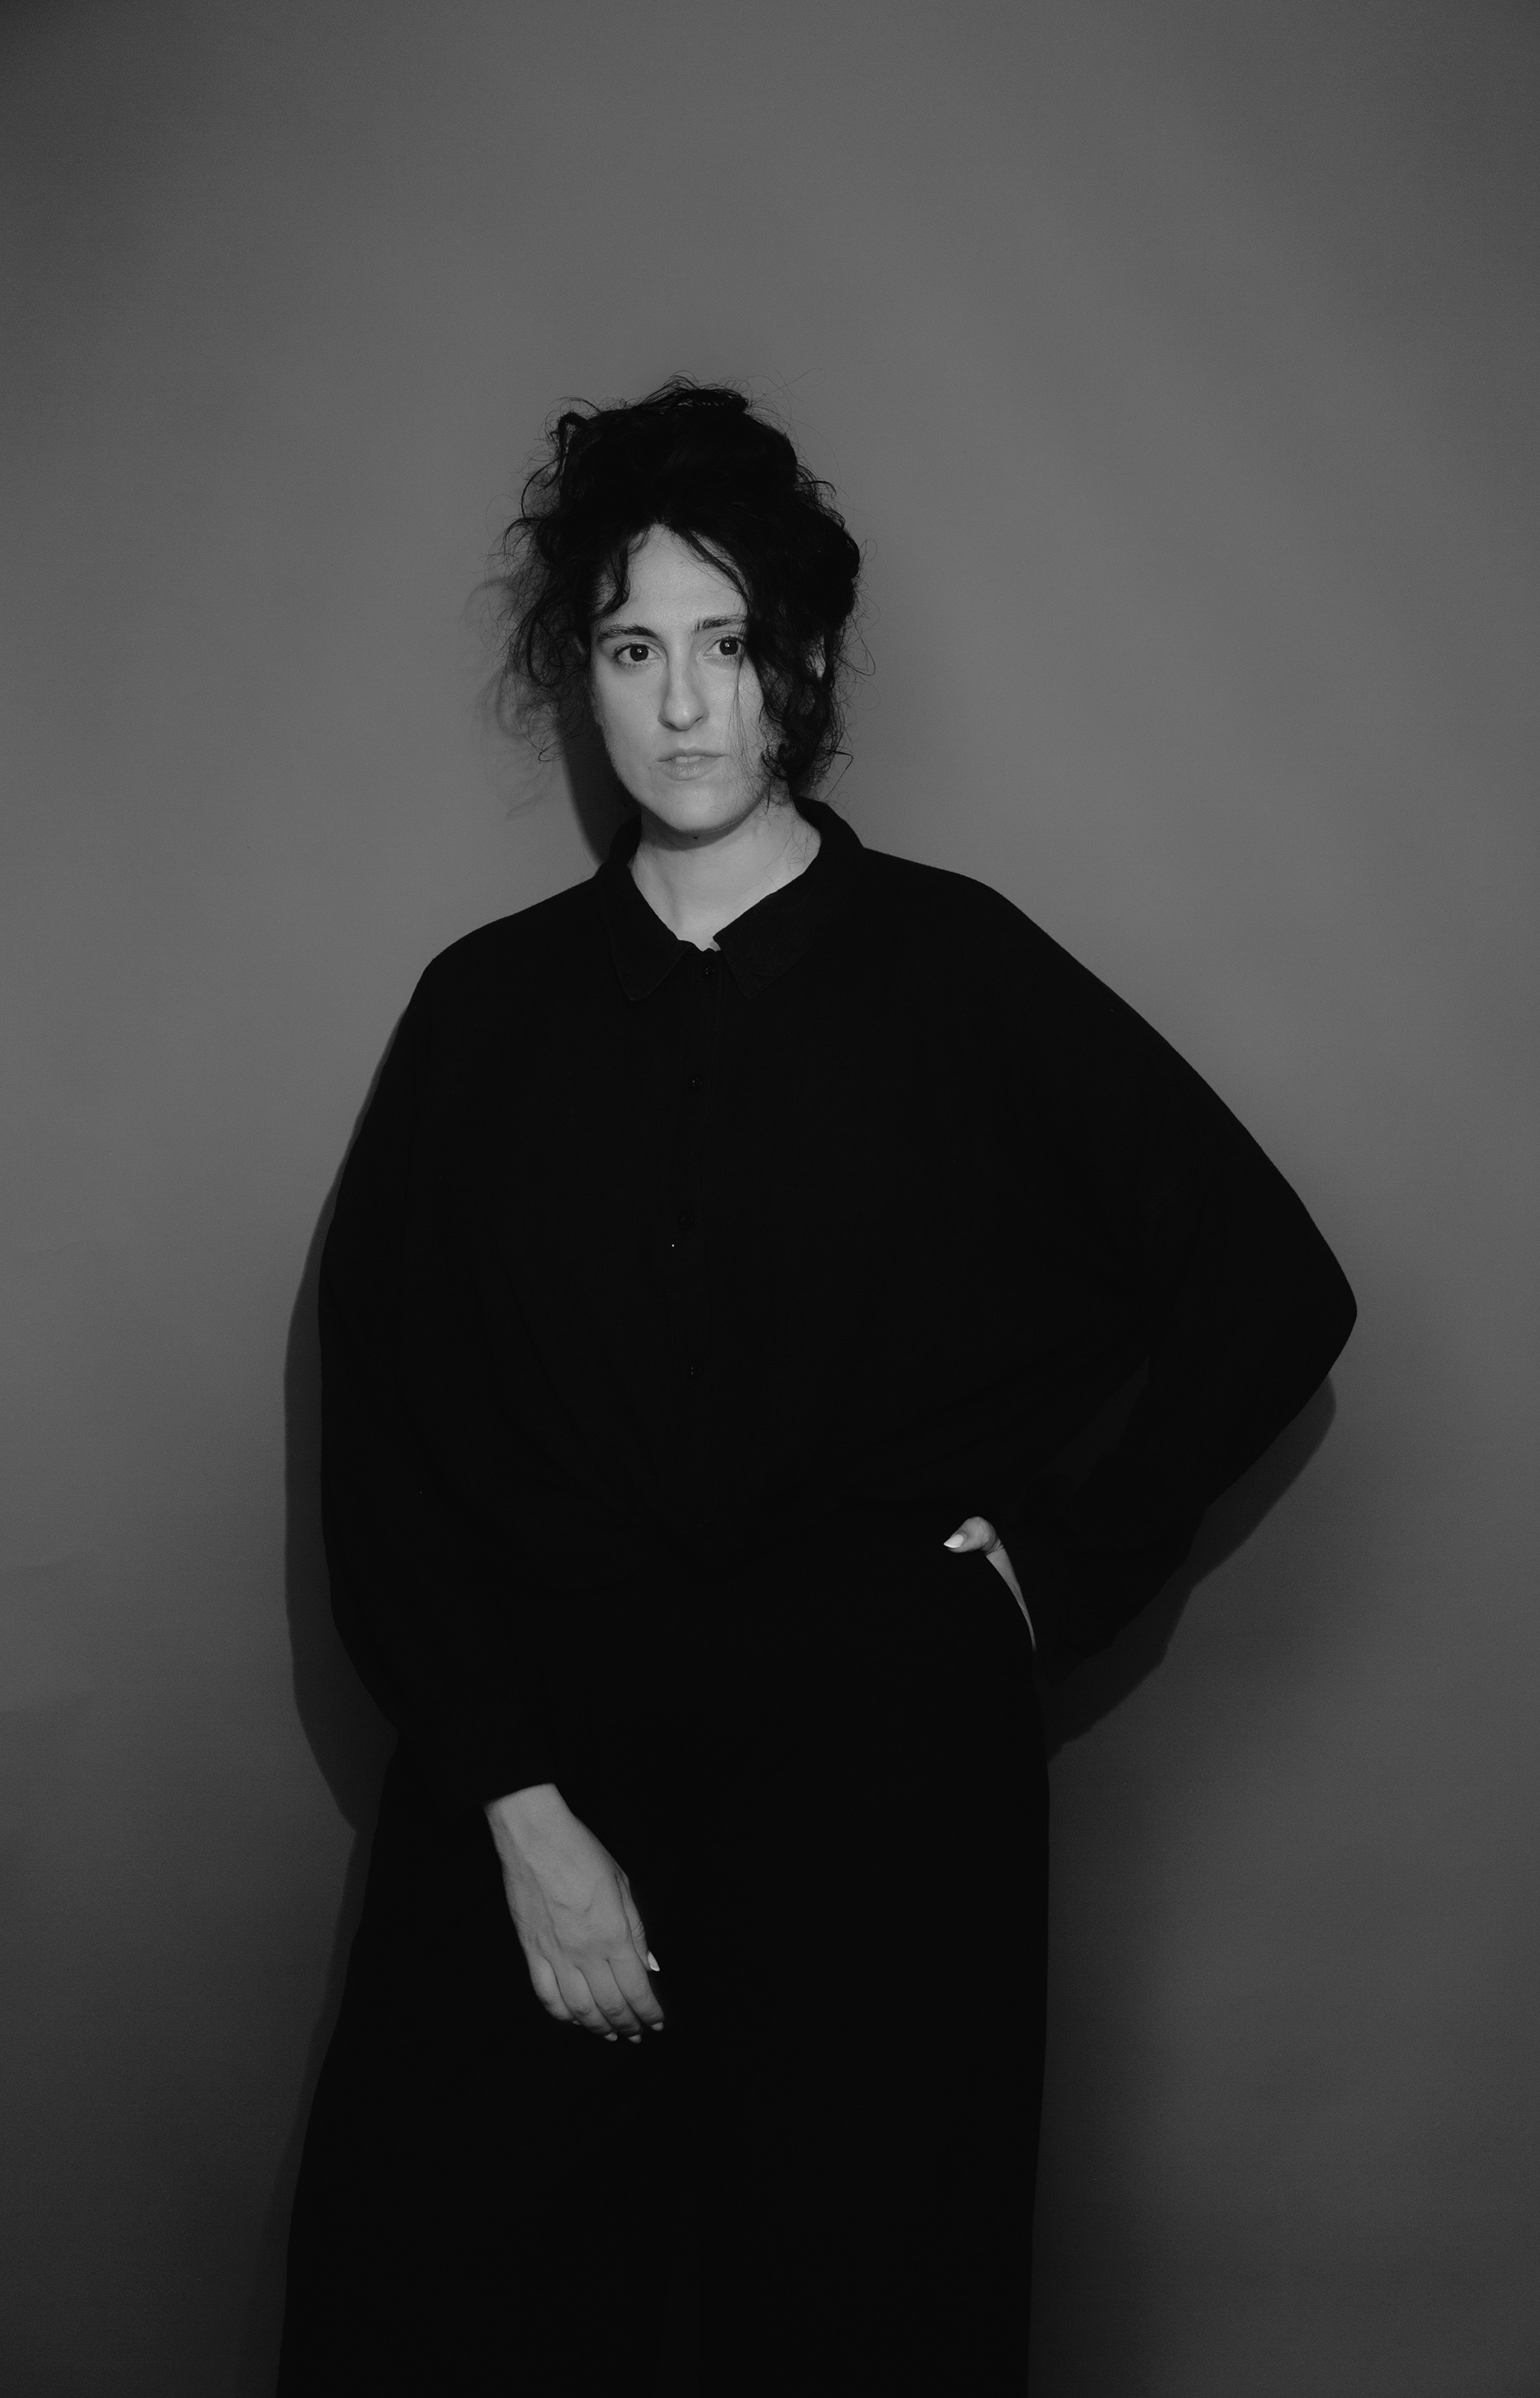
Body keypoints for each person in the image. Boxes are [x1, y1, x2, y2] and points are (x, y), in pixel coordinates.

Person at [276, 379, 1356, 2396]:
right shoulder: (484, 1015)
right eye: (632, 649)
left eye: (732, 641)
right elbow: (388, 1442)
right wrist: (523, 1813)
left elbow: (1269, 1284)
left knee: (860, 2326)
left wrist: (1048, 1574)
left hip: (880, 1815)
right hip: (548, 1787)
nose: (687, 704)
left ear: (807, 666)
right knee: (446, 2306)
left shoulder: (961, 972)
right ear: (580, 679)